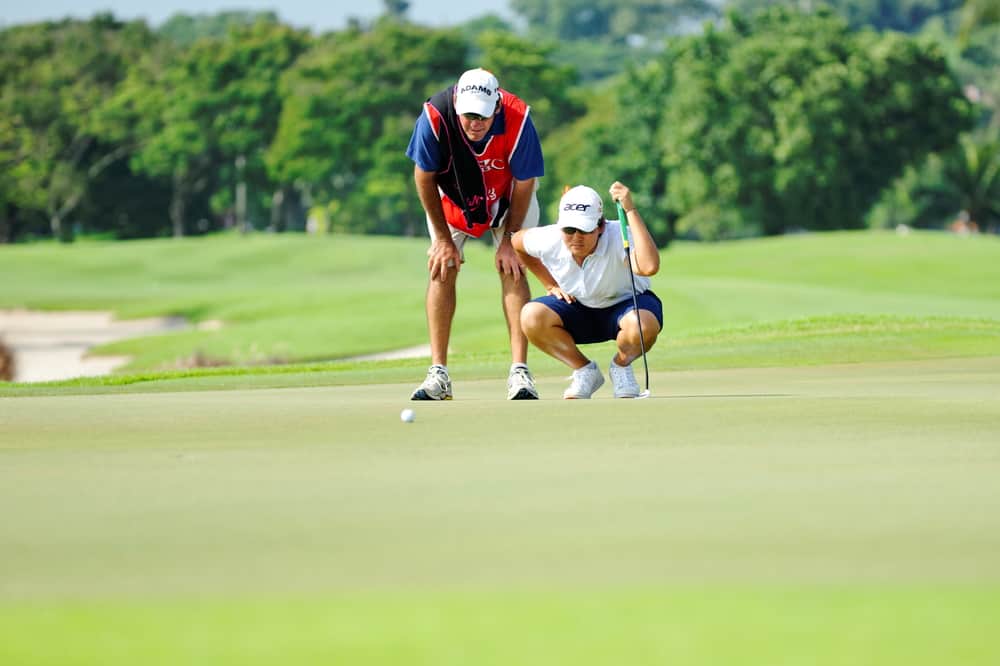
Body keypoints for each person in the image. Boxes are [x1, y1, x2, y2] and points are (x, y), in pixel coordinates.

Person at [406, 68, 544, 401]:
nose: (475, 123)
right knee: (442, 267)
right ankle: (438, 373)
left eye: (482, 115)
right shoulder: (435, 116)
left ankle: (520, 373)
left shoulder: (518, 118)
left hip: (510, 198)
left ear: (496, 106)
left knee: (513, 267)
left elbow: (525, 183)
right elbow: (423, 177)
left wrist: (510, 241)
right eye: (468, 115)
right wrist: (441, 240)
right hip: (453, 197)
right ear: (457, 107)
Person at [511, 182, 662, 399]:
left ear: (600, 227)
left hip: (626, 306)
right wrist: (550, 284)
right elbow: (517, 242)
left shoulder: (620, 236)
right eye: (569, 230)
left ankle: (621, 367)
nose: (576, 237)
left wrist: (630, 210)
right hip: (578, 308)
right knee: (531, 315)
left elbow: (649, 267)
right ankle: (585, 371)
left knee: (641, 325)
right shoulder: (550, 238)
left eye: (584, 229)